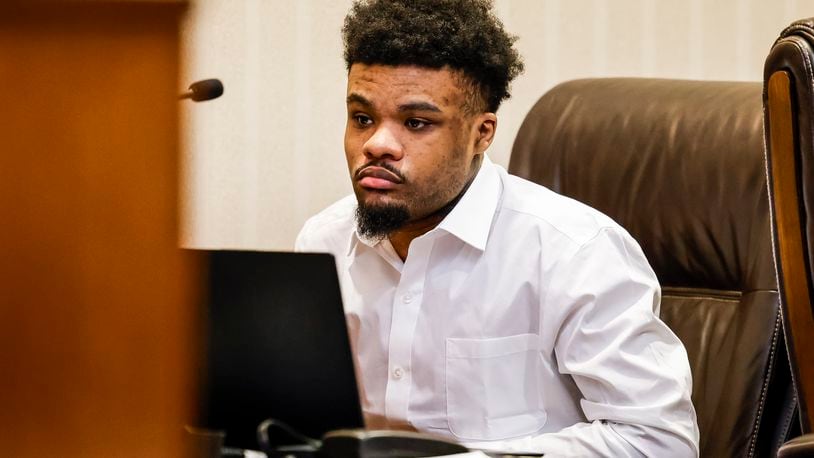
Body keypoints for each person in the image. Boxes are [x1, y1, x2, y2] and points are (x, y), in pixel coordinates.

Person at [296, 0, 699, 455]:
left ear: (481, 134)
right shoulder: (323, 242)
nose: (377, 144)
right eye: (362, 118)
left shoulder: (575, 251)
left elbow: (659, 442)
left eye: (415, 123)